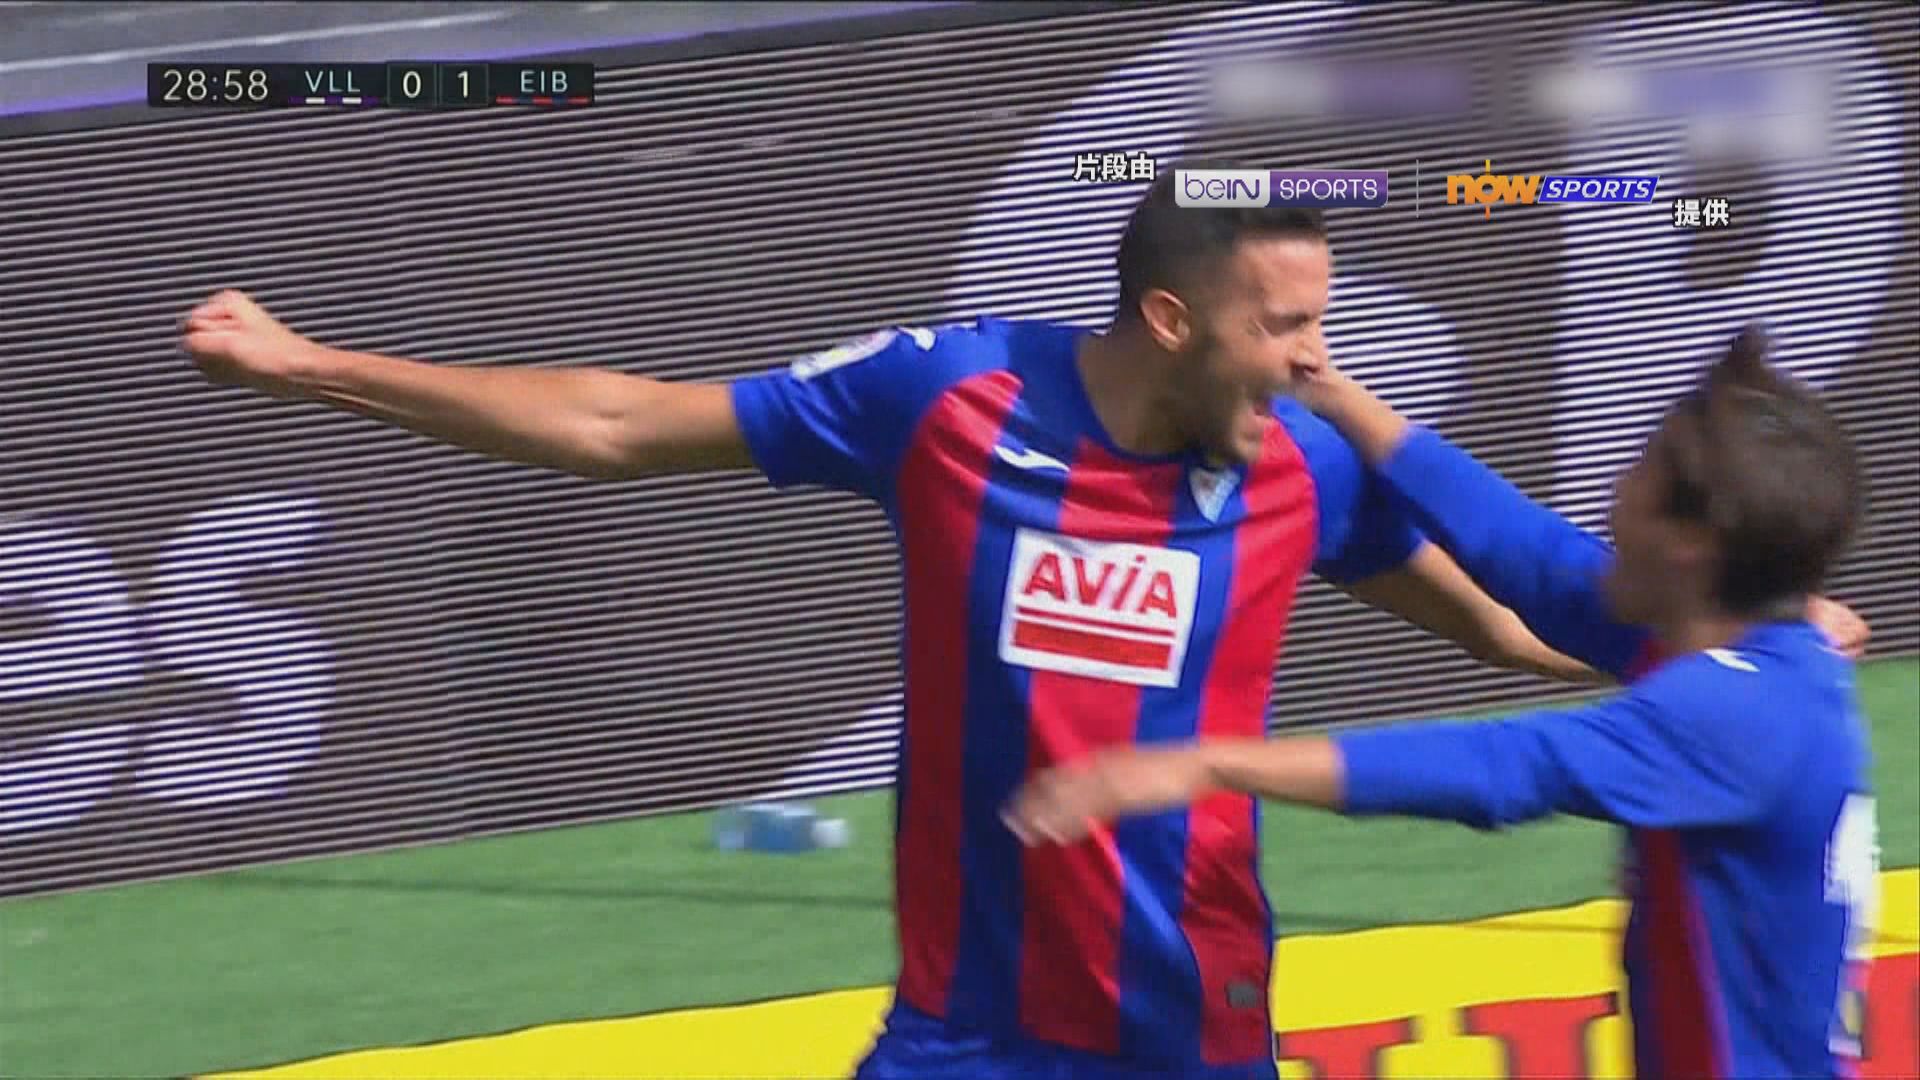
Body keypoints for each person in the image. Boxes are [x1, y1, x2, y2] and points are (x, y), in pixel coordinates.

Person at [180, 164, 1864, 1077]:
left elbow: (1511, 626)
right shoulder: (948, 399)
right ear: (1169, 320)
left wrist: (1744, 642)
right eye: (1283, 328)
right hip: (966, 1024)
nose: (1314, 361)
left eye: (1324, 328)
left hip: (1186, 1022)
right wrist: (311, 366)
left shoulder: (1299, 466)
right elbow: (618, 422)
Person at [1006, 324, 1881, 1080]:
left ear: (1694, 546)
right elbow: (1528, 554)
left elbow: (1504, 769)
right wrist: (1334, 392)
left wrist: (1209, 763)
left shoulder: (1728, 717)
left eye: (1641, 475)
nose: (1617, 495)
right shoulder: (1746, 658)